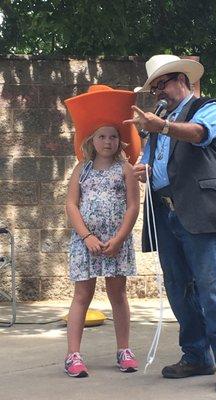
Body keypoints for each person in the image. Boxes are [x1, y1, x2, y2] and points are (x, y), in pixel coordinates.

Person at [124, 55, 216, 392]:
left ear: (181, 79)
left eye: (161, 85)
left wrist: (160, 126)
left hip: (201, 210)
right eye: (154, 89)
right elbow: (153, 163)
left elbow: (199, 134)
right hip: (165, 212)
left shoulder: (209, 107)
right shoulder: (159, 119)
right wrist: (142, 167)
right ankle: (195, 355)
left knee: (212, 288)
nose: (158, 94)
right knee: (179, 288)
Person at [64, 85, 141, 377]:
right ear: (91, 140)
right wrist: (86, 236)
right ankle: (73, 354)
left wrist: (119, 238)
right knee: (82, 294)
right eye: (101, 136)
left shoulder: (126, 169)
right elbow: (72, 205)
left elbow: (133, 206)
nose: (107, 141)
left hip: (115, 242)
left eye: (112, 136)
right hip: (86, 242)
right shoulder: (81, 169)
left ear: (120, 141)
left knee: (117, 293)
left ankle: (124, 349)